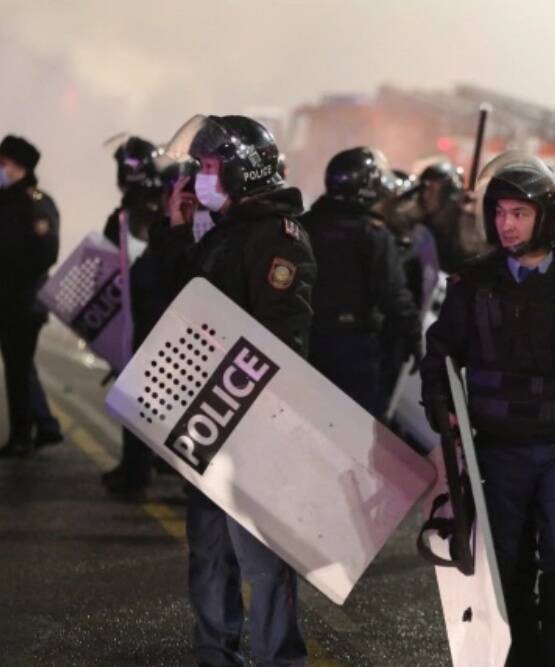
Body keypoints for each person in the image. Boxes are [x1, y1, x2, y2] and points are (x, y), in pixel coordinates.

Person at [421, 152, 555, 667]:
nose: (506, 224)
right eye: (499, 213)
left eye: (519, 213)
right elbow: (440, 355)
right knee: (508, 572)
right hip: (497, 451)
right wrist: (445, 417)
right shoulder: (474, 284)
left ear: (547, 216)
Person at [166, 114, 315, 666]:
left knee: (261, 558)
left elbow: (282, 336)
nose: (199, 179)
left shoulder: (276, 238)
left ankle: (279, 658)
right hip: (206, 417)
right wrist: (176, 231)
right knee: (208, 550)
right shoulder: (219, 232)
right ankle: (214, 654)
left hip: (252, 421)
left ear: (238, 171)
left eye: (207, 168)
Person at [301, 147, 421, 415]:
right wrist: (414, 335)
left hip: (304, 342)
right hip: (352, 350)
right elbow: (393, 295)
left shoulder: (304, 225)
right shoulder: (373, 235)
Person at [0, 135, 63, 459]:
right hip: (7, 299)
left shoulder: (34, 202)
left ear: (20, 166)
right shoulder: (5, 201)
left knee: (17, 369)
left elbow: (45, 253)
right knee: (19, 366)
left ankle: (22, 437)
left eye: (2, 163)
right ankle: (44, 425)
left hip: (24, 300)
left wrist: (10, 281)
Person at [99, 135, 164, 495]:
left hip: (143, 317)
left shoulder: (130, 215)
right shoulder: (167, 205)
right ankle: (148, 463)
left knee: (136, 395)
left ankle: (135, 471)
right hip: (158, 315)